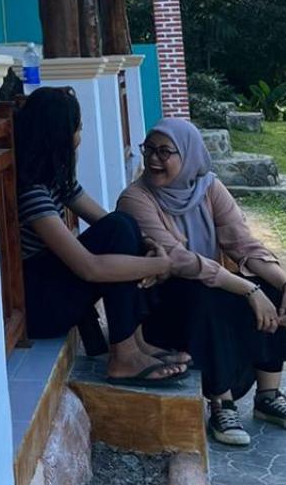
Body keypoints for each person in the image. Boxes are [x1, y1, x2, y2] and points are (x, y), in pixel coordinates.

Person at [118, 118, 286, 447]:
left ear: (189, 155)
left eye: (164, 151)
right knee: (209, 296)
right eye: (148, 149)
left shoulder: (209, 187)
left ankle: (268, 396)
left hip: (210, 289)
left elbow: (243, 244)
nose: (153, 159)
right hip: (161, 307)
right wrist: (247, 289)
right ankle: (221, 404)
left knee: (271, 292)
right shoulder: (136, 198)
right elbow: (179, 260)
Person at [13, 86, 190, 384]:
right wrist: (162, 264)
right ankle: (124, 356)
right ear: (59, 135)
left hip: (53, 285)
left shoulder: (56, 181)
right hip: (41, 307)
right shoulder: (32, 193)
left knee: (123, 225)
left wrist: (147, 244)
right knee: (119, 230)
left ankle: (136, 343)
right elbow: (89, 268)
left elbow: (106, 220)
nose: (80, 136)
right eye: (78, 128)